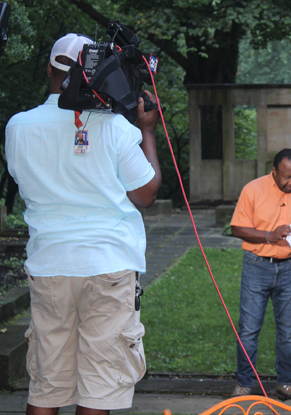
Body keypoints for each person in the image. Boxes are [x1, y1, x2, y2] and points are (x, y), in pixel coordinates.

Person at [5, 33, 161, 415]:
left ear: (49, 69)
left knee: (46, 384)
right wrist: (147, 131)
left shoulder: (17, 127)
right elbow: (145, 194)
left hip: (50, 265)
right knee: (99, 387)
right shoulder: (114, 129)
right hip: (108, 264)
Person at [230, 148, 291, 400]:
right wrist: (268, 236)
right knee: (249, 329)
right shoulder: (253, 189)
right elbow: (237, 228)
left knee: (288, 330)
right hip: (256, 266)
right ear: (274, 172)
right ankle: (244, 383)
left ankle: (286, 382)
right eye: (287, 177)